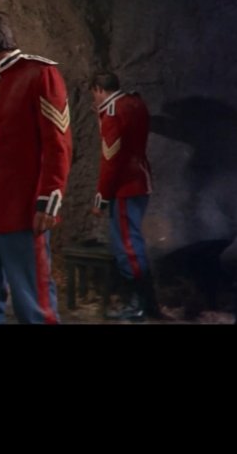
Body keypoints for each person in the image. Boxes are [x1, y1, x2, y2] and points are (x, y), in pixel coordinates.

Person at [0, 13, 73, 324]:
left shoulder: (40, 74)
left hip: (23, 213)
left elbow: (58, 143)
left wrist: (48, 201)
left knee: (33, 302)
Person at [89, 72, 157, 321]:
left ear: (99, 89)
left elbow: (111, 161)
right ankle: (148, 302)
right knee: (133, 243)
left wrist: (101, 198)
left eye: (94, 94)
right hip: (141, 181)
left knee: (126, 247)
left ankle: (138, 303)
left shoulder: (112, 113)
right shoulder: (135, 103)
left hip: (125, 187)